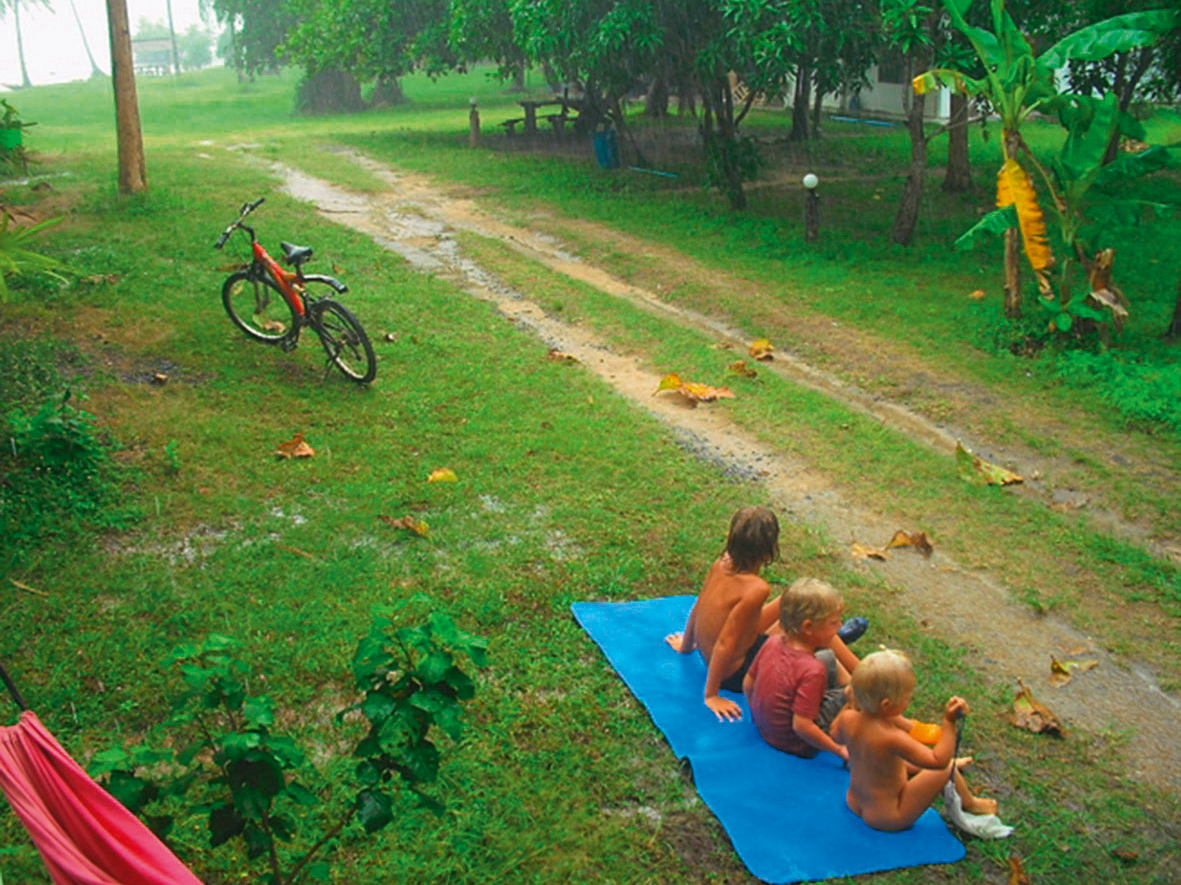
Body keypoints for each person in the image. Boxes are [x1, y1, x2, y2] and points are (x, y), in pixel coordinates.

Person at [665, 506, 863, 721]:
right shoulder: (756, 589)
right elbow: (725, 642)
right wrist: (712, 694)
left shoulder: (719, 564)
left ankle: (829, 638)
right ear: (770, 551)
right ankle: (865, 675)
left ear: (731, 539)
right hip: (734, 674)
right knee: (803, 626)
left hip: (723, 656)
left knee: (794, 598)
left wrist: (686, 646)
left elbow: (701, 607)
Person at [830, 649, 999, 832]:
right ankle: (971, 803)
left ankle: (956, 769)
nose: (909, 700)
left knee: (896, 762)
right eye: (907, 697)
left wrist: (850, 703)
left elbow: (835, 735)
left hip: (855, 801)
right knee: (946, 769)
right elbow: (937, 761)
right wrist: (949, 723)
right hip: (888, 816)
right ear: (886, 704)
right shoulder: (893, 738)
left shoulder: (848, 718)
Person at [743, 577, 851, 760]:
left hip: (764, 728)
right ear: (808, 627)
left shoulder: (773, 641)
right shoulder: (812, 670)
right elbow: (802, 726)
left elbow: (748, 683)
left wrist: (760, 715)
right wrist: (839, 751)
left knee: (828, 658)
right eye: (834, 623)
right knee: (854, 692)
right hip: (797, 744)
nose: (840, 626)